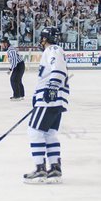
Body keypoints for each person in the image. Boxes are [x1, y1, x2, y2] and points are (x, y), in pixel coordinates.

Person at [24, 27, 70, 184]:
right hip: (55, 99)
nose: (41, 41)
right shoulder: (55, 50)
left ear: (45, 39)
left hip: (49, 98)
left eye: (42, 38)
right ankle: (55, 170)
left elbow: (58, 69)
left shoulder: (53, 49)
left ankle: (40, 170)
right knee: (49, 133)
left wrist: (51, 89)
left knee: (34, 131)